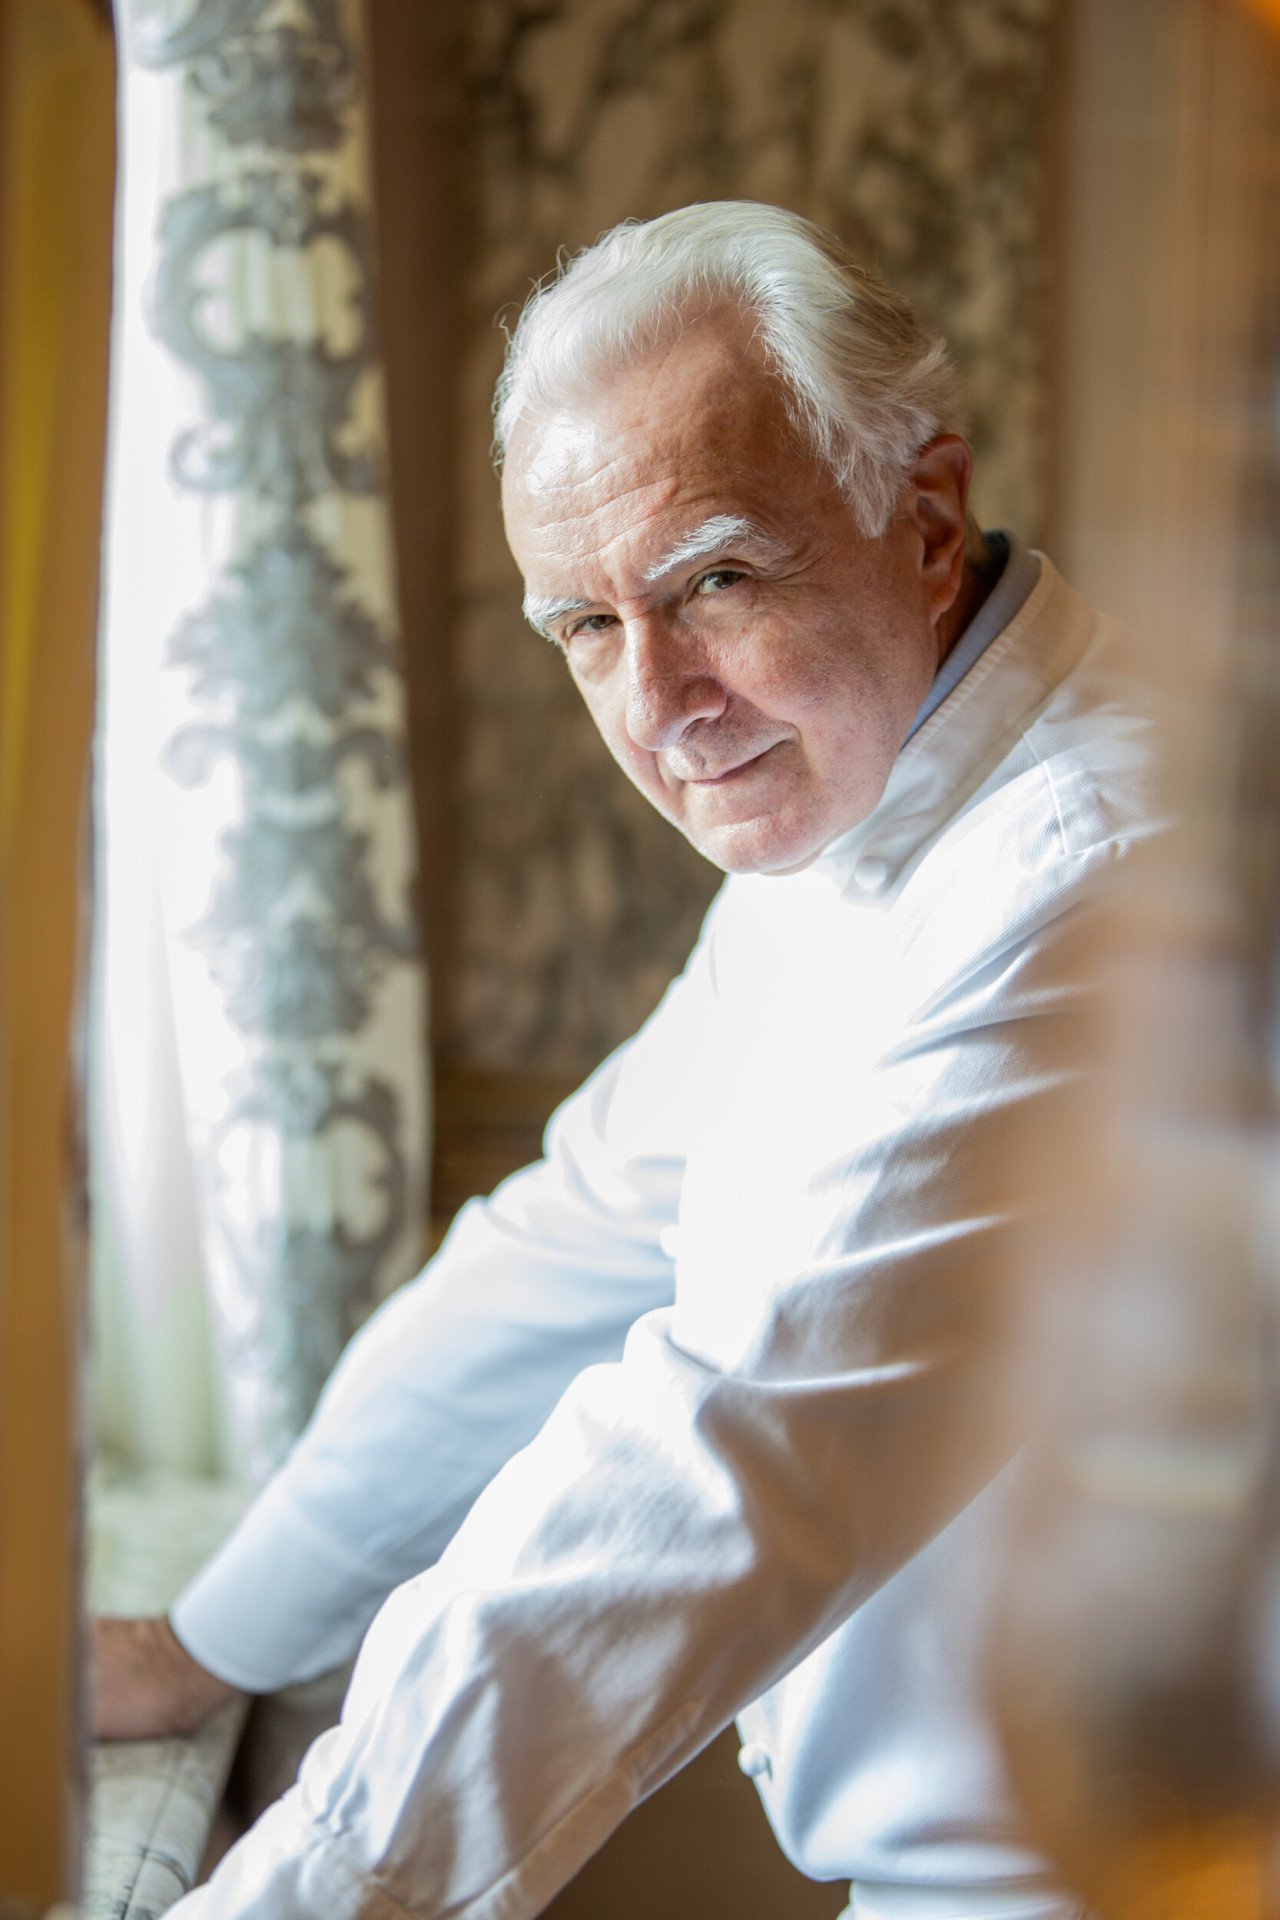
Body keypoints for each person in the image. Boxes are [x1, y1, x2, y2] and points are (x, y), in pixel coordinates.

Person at [94, 202, 1153, 1920]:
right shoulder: (861, 807)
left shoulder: (1088, 874)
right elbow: (568, 1241)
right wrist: (207, 1641)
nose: (657, 706)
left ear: (926, 518)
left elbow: (721, 1454)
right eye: (585, 625)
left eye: (714, 580)